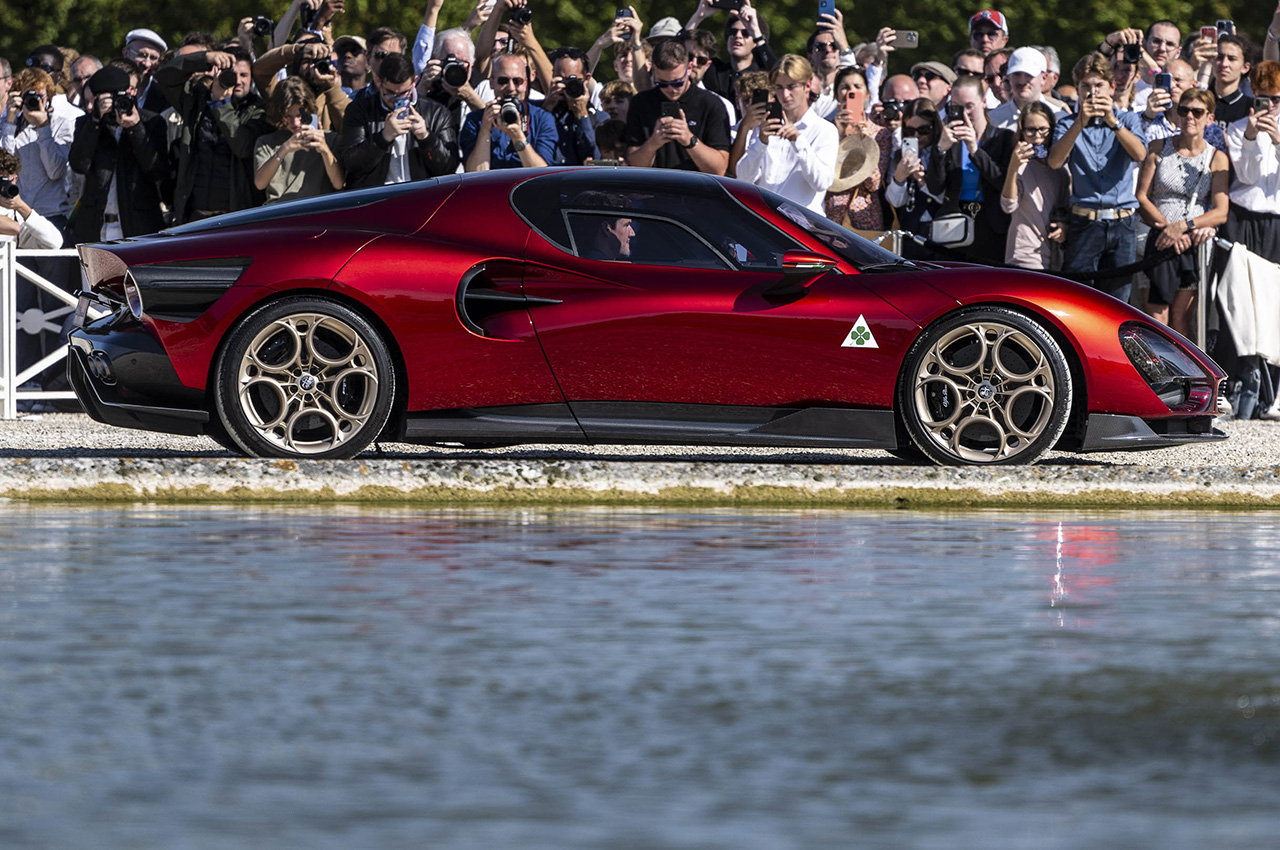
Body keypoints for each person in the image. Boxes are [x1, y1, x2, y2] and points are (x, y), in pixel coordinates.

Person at [1047, 52, 1147, 305]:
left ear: (1112, 87)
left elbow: (1140, 154)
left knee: (1119, 301)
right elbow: (1055, 161)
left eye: (1099, 85)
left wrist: (1112, 121)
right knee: (1079, 299)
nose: (1092, 93)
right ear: (1078, 90)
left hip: (1122, 222)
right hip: (1084, 221)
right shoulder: (1067, 123)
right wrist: (1079, 123)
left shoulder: (1127, 119)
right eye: (1086, 86)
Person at [1134, 87, 1229, 336]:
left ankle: (1182, 375)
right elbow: (1141, 196)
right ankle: (1154, 374)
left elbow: (1221, 211)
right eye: (1184, 110)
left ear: (1209, 118)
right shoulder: (1157, 147)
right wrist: (1168, 228)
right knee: (1156, 315)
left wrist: (1184, 226)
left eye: (1197, 112)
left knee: (1181, 318)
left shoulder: (1216, 158)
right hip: (1157, 237)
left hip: (1192, 242)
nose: (1189, 117)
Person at [1223, 61, 1280, 419]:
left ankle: (1273, 391)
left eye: (1274, 98)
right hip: (1243, 219)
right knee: (1240, 304)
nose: (1268, 106)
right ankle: (1236, 386)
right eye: (1261, 98)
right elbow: (1247, 174)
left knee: (1275, 305)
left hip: (1276, 220)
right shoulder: (1237, 128)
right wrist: (1251, 136)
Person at [154, 47, 269, 222]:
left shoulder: (258, 110)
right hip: (194, 215)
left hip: (236, 216)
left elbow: (242, 147)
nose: (237, 81)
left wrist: (222, 104)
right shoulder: (197, 101)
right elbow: (165, 76)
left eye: (244, 75)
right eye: (231, 74)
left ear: (251, 78)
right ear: (217, 73)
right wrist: (205, 58)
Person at [68, 65, 169, 243]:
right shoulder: (87, 124)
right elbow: (79, 165)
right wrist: (95, 122)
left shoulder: (152, 122)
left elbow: (156, 170)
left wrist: (135, 128)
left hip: (139, 225)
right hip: (96, 225)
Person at [927, 75, 1015, 264]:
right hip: (954, 223)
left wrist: (975, 150)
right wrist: (941, 149)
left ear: (983, 102)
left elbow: (1002, 181)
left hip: (991, 224)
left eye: (969, 106)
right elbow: (935, 187)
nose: (964, 114)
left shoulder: (1004, 138)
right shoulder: (948, 139)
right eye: (957, 108)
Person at [735, 55, 838, 214]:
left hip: (803, 224)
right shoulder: (765, 125)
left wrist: (798, 142)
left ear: (808, 85)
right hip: (766, 219)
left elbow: (822, 182)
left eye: (791, 86)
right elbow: (743, 179)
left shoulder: (825, 130)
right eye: (778, 87)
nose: (785, 95)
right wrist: (761, 142)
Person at [342, 52, 458, 185]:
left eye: (404, 93)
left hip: (420, 196)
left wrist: (426, 138)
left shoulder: (437, 113)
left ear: (414, 81)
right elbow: (350, 163)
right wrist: (383, 138)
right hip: (375, 197)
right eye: (390, 93)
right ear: (379, 81)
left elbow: (448, 168)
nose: (397, 99)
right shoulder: (359, 109)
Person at [625, 40, 731, 174]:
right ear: (653, 71)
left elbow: (719, 169)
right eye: (662, 83)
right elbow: (634, 166)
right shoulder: (641, 103)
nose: (671, 89)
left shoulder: (711, 104)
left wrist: (689, 139)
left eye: (677, 83)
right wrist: (653, 143)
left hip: (697, 190)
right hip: (654, 189)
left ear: (690, 68)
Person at [460, 49, 558, 171]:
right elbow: (475, 174)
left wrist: (518, 137)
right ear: (491, 83)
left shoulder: (542, 118)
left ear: (525, 84)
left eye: (517, 81)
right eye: (503, 81)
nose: (511, 88)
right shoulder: (476, 120)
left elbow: (543, 175)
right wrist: (485, 130)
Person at [1000, 102, 1068, 269]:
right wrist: (1013, 168)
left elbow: (1066, 209)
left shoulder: (1061, 170)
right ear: (1022, 133)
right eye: (1030, 130)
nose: (1038, 137)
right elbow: (1008, 206)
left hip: (1054, 256)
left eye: (1043, 129)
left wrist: (1064, 227)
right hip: (1024, 255)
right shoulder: (1021, 167)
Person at [254, 77, 344, 203]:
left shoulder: (329, 139)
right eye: (288, 116)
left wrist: (324, 150)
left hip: (316, 212)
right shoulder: (266, 142)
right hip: (279, 213)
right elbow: (260, 183)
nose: (295, 122)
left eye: (299, 115)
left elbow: (339, 184)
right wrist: (283, 150)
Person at [822, 67, 891, 228]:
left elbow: (873, 184)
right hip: (830, 214)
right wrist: (837, 136)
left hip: (865, 217)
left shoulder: (880, 134)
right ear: (837, 95)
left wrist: (867, 144)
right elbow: (822, 175)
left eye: (857, 87)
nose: (850, 92)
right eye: (845, 87)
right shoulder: (825, 130)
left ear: (867, 94)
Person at [252, 36, 350, 133]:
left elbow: (349, 127)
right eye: (307, 62)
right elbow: (259, 71)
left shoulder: (333, 99)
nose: (312, 67)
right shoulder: (283, 94)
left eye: (318, 62)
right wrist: (295, 50)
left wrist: (332, 88)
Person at [689, 1, 777, 105]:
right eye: (732, 32)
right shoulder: (713, 70)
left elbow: (779, 75)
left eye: (745, 33)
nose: (738, 36)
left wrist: (757, 33)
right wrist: (697, 17)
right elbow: (676, 57)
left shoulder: (763, 74)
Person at [885, 98, 945, 243]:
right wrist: (899, 178)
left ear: (935, 127)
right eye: (910, 130)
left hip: (941, 232)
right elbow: (896, 201)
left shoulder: (943, 153)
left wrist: (922, 181)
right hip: (910, 232)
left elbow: (945, 197)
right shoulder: (900, 155)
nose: (916, 137)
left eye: (923, 130)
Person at [539, 47, 598, 166]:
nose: (569, 86)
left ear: (586, 79)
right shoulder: (537, 111)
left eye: (573, 80)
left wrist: (582, 114)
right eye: (562, 80)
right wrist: (547, 109)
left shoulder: (598, 118)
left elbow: (594, 157)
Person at [0, 149, 62, 247]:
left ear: (15, 180)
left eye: (6, 182)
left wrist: (22, 207)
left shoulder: (14, 215)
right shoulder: (13, 222)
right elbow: (13, 227)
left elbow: (54, 243)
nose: (2, 186)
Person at [1212, 35, 1254, 131]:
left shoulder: (1250, 108)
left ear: (1245, 67)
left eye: (1231, 59)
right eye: (1219, 57)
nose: (1224, 64)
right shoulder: (1200, 100)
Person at [123, 28, 169, 112]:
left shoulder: (165, 97)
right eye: (142, 55)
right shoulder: (111, 88)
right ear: (126, 53)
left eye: (153, 58)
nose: (147, 64)